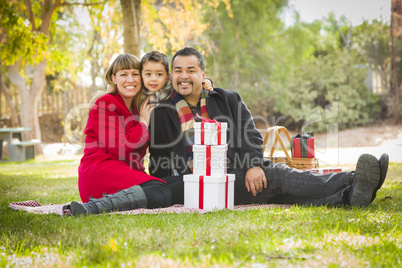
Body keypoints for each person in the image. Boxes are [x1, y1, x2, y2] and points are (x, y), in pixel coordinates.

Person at [148, 47, 389, 207]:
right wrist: (181, 189)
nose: (184, 76)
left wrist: (253, 165)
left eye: (191, 70)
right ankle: (355, 179)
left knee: (280, 193)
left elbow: (251, 135)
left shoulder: (226, 98)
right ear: (171, 77)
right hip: (199, 184)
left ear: (202, 74)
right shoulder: (161, 112)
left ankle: (351, 195)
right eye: (178, 71)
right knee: (275, 175)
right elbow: (159, 164)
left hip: (238, 169)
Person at [69, 53, 171, 216]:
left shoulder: (140, 107)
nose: (130, 80)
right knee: (162, 191)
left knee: (177, 185)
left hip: (127, 174)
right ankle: (92, 208)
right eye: (123, 74)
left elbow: (163, 82)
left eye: (135, 74)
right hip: (101, 172)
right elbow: (121, 148)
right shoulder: (104, 104)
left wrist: (204, 83)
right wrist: (143, 123)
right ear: (113, 78)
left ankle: (98, 205)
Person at [140, 51, 213, 106]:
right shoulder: (140, 92)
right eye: (148, 74)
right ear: (141, 76)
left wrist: (206, 81)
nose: (153, 79)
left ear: (167, 77)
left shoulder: (171, 82)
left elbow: (195, 78)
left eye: (159, 74)